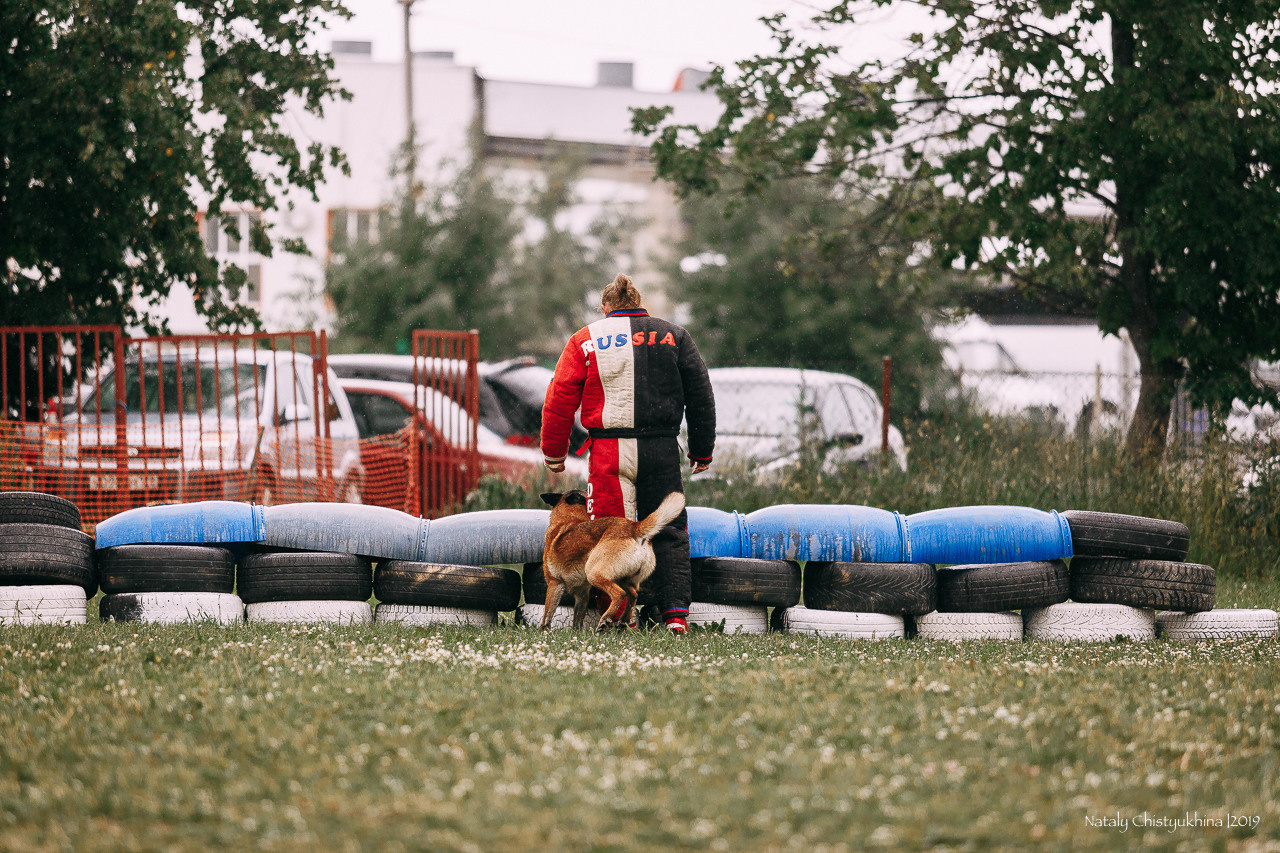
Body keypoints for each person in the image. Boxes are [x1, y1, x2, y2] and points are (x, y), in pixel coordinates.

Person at [541, 274, 715, 634]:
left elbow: (559, 400)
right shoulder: (675, 335)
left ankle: (623, 619)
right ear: (640, 304)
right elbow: (701, 395)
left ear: (606, 309)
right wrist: (702, 450)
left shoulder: (585, 339)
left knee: (607, 538)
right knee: (668, 532)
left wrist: (554, 452)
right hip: (662, 447)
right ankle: (676, 617)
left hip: (609, 450)